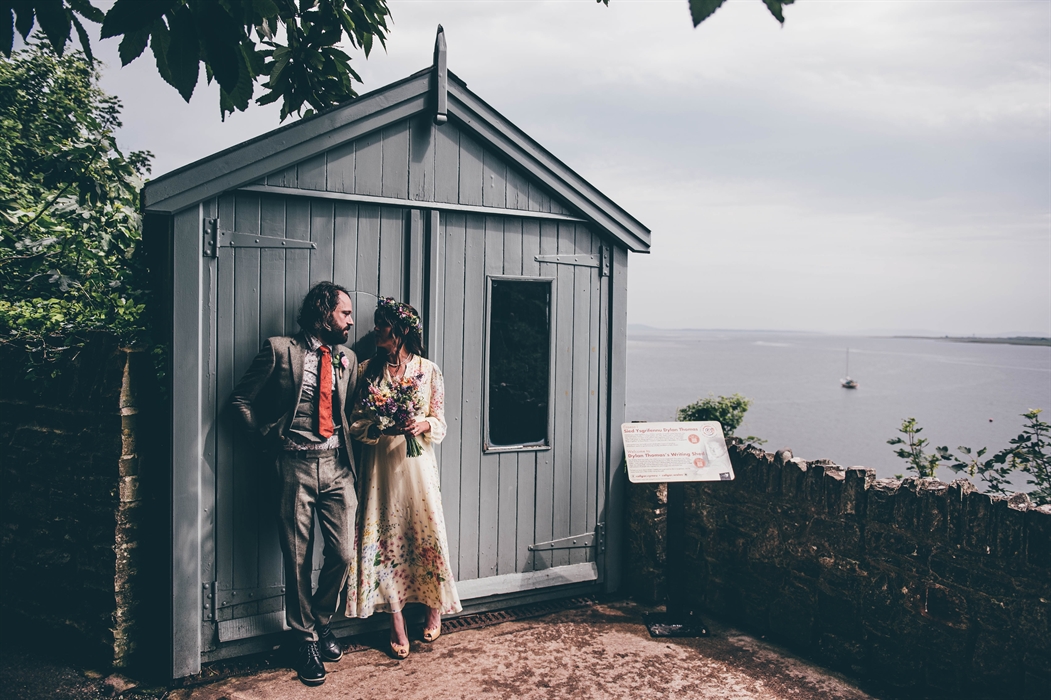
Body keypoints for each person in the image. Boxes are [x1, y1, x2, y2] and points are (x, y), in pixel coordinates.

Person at [230, 281, 358, 686]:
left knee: (343, 553)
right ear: (324, 313)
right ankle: (303, 639)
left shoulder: (348, 359)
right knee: (297, 559)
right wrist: (265, 439)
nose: (351, 321)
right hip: (294, 466)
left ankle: (319, 622)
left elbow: (345, 409)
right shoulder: (279, 349)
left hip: (336, 467)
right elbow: (240, 401)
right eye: (345, 314)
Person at [347, 297, 461, 659]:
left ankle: (433, 607)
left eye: (381, 324)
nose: (374, 329)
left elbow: (440, 421)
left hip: (418, 469)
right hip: (380, 471)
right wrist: (381, 427)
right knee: (385, 541)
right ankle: (395, 621)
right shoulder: (367, 370)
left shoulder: (429, 371)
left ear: (400, 332)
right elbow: (355, 424)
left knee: (427, 534)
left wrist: (421, 423)